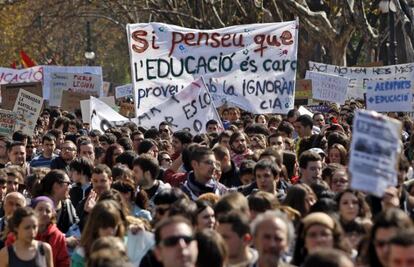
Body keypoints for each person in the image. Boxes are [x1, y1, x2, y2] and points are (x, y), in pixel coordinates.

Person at [71, 200, 126, 267]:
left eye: (113, 226)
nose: (110, 232)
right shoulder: (81, 254)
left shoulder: (124, 246)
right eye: (104, 226)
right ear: (95, 226)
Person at [32, 196, 70, 267]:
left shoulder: (58, 236)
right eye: (40, 209)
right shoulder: (23, 231)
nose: (44, 213)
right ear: (32, 210)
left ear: (52, 214)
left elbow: (64, 262)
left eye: (48, 211)